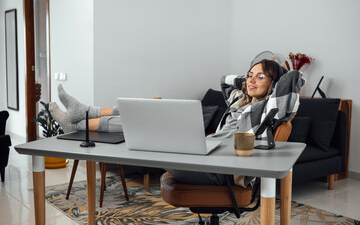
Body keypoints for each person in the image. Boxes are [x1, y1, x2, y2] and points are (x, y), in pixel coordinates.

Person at [50, 59, 305, 187]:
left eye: (260, 77)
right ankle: (81, 120)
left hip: (222, 168)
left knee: (151, 123)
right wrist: (252, 80)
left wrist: (273, 77)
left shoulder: (267, 110)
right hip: (205, 154)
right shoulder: (239, 103)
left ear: (274, 84)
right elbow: (225, 80)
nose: (250, 80)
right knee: (151, 112)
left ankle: (83, 116)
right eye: (249, 75)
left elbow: (292, 79)